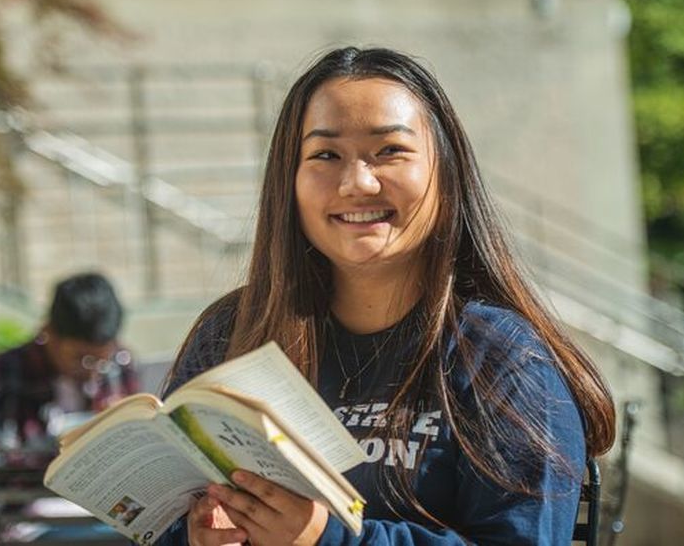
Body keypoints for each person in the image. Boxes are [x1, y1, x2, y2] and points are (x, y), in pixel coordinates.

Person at [156, 47, 616, 546]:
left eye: (390, 151)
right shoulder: (231, 333)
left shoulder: (502, 360)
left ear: (446, 173)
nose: (357, 182)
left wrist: (328, 540)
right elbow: (165, 524)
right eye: (325, 155)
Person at [0, 271, 138, 533]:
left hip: (107, 516)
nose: (93, 371)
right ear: (48, 333)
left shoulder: (118, 365)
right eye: (81, 358)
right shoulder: (0, 377)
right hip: (28, 523)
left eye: (100, 360)